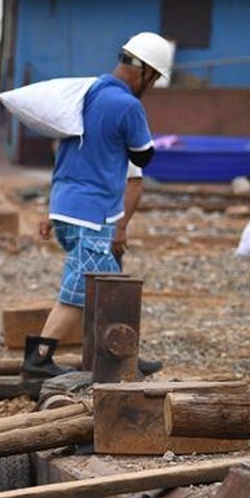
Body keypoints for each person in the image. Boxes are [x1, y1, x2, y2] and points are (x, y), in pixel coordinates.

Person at [22, 32, 168, 378]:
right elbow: (144, 156)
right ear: (145, 71)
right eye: (155, 78)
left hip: (64, 207)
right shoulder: (128, 105)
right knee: (81, 290)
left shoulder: (89, 91)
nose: (153, 85)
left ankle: (124, 354)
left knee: (108, 286)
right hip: (91, 212)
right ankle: (38, 359)